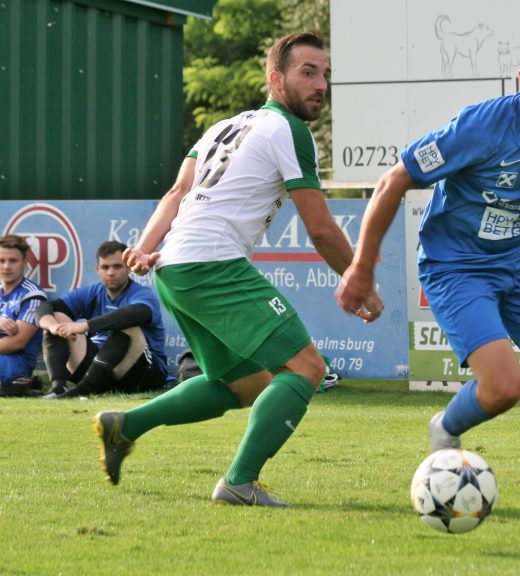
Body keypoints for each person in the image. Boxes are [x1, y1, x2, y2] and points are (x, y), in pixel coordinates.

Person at [337, 31, 520, 510]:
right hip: (456, 266)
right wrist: (362, 266)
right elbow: (393, 181)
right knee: (505, 387)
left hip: (519, 260)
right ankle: (445, 428)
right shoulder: (479, 126)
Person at [97, 30, 382, 506]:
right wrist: (360, 278)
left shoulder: (223, 127)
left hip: (175, 267)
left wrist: (145, 249)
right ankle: (238, 483)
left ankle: (126, 425)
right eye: (307, 72)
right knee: (308, 368)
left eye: (325, 74)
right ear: (276, 78)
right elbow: (320, 228)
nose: (320, 85)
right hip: (211, 264)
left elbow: (177, 192)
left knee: (245, 384)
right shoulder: (289, 130)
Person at [36, 240, 172, 399]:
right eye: (105, 267)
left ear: (128, 268)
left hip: (140, 371)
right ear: (97, 269)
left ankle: (83, 389)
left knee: (129, 326)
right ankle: (58, 387)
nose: (111, 272)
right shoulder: (94, 292)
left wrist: (85, 326)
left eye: (117, 266)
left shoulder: (142, 293)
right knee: (56, 318)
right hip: (99, 370)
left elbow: (137, 313)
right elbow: (46, 307)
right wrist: (52, 327)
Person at [0, 234, 47, 395]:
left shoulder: (33, 295)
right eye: (2, 261)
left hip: (15, 362)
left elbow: (18, 342)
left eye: (13, 261)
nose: (7, 266)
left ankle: (20, 386)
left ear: (24, 264)